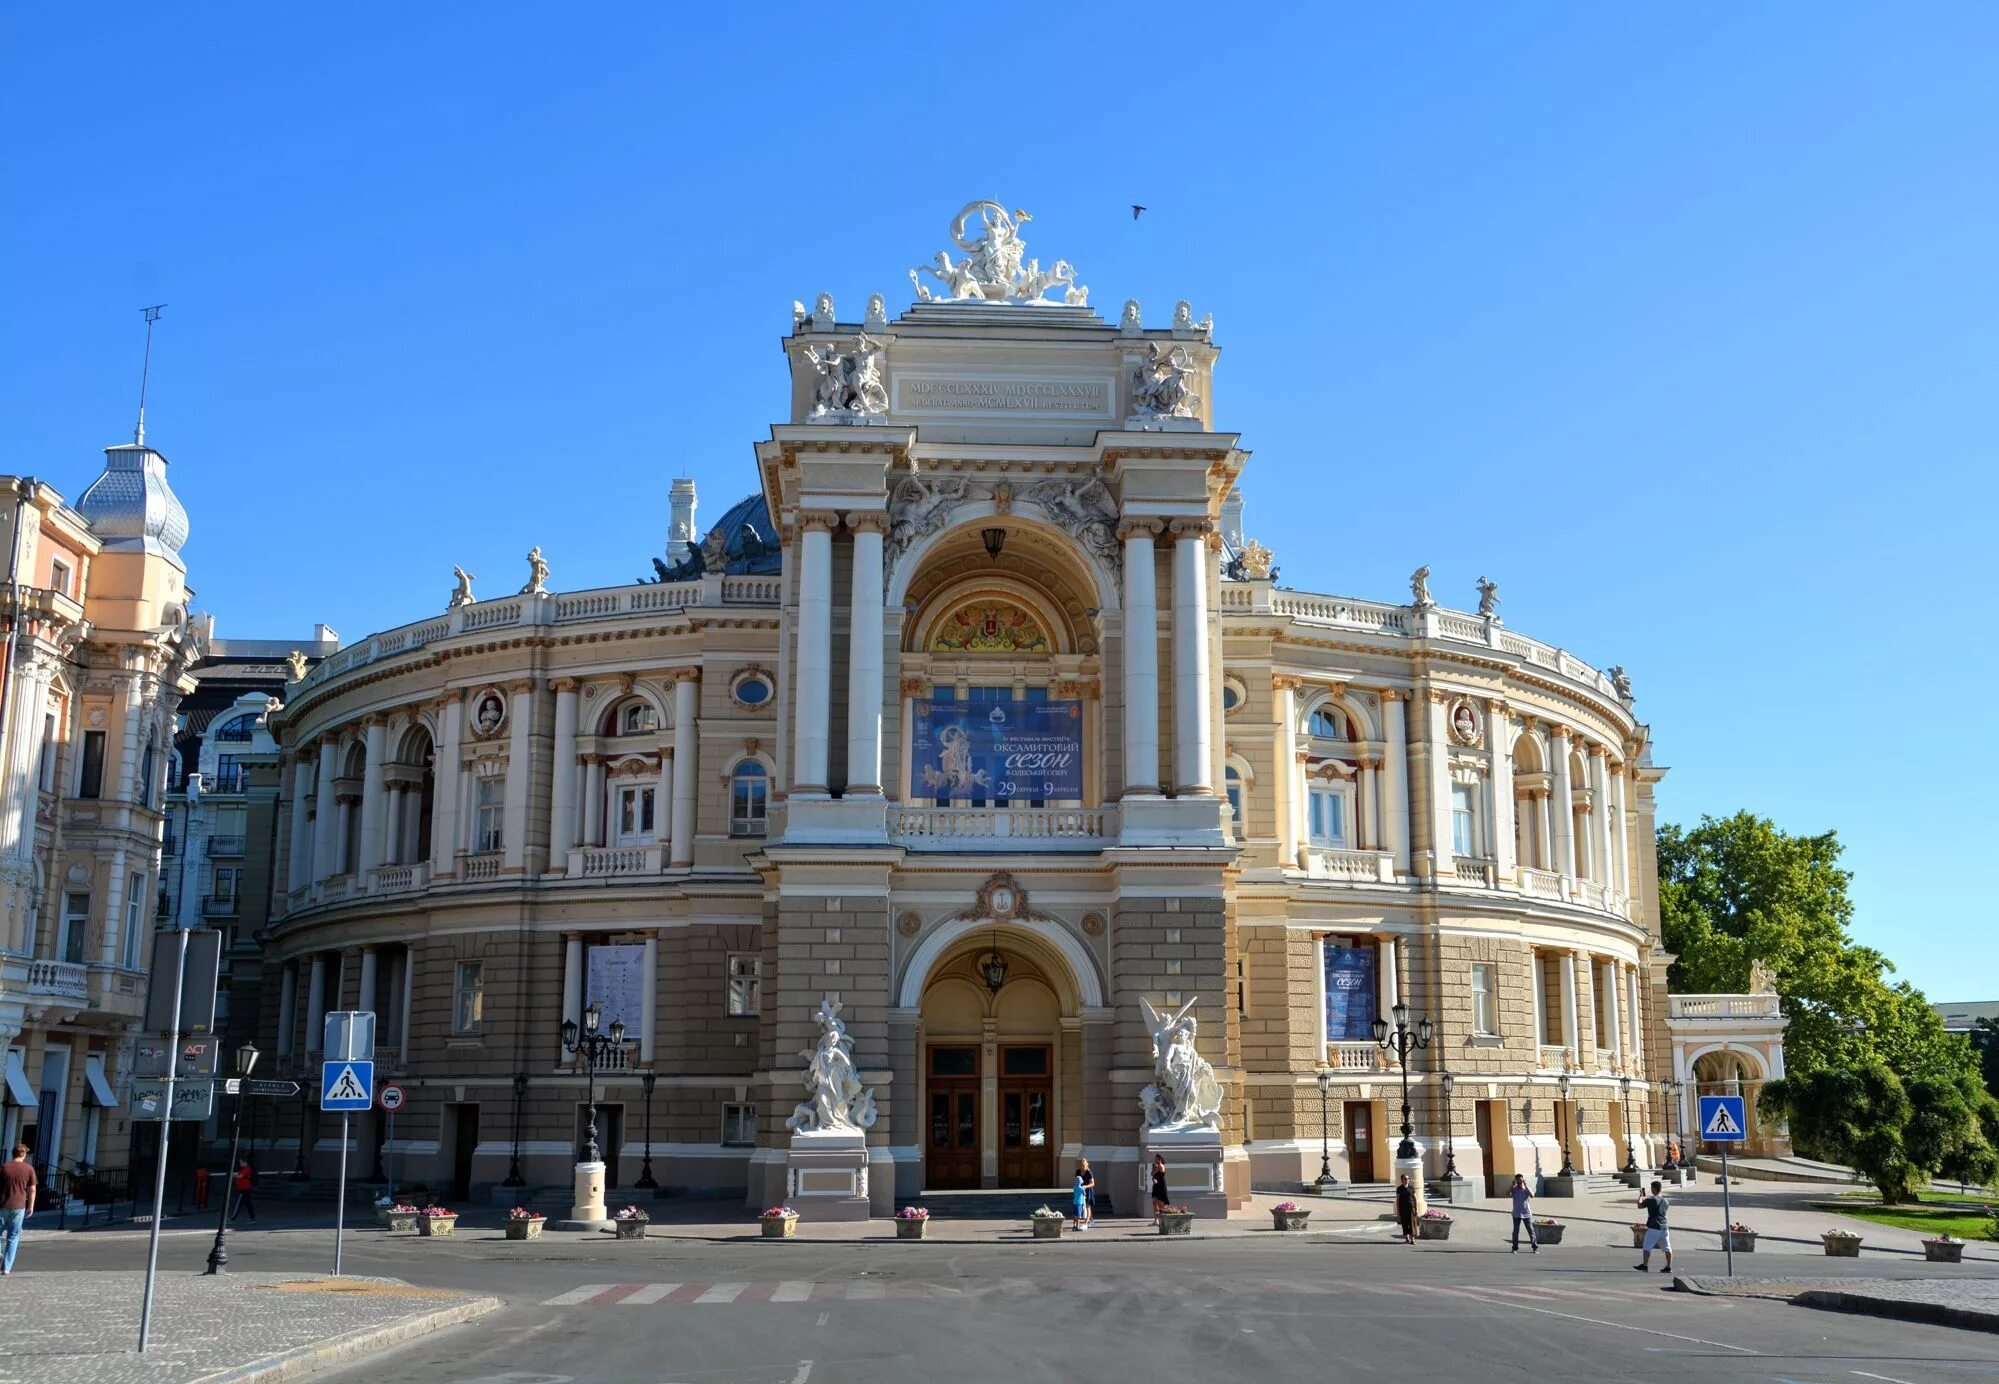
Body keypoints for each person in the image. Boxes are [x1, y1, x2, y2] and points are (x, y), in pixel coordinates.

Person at [1, 1144, 36, 1275]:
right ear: (24, 1155)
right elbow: (32, 1189)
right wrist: (31, 1206)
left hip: (3, 1205)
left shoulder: (4, 1167)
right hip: (19, 1206)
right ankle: (6, 1267)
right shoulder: (29, 1169)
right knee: (13, 1237)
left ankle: (0, 1254)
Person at [1636, 1179, 1674, 1273]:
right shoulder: (1666, 1201)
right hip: (1665, 1227)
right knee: (1667, 1248)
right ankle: (1668, 1267)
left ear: (1654, 1189)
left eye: (1651, 1188)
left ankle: (1645, 1265)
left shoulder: (1651, 1200)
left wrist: (1641, 1196)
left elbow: (1639, 1206)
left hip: (1654, 1227)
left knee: (1647, 1246)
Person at [1508, 1173, 1539, 1253]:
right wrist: (1512, 1185)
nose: (1519, 1183)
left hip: (1526, 1213)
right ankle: (1515, 1248)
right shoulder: (1514, 1189)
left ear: (1523, 1180)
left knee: (1531, 1231)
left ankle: (1535, 1247)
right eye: (1518, 1181)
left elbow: (1532, 1196)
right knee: (1515, 1232)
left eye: (1520, 1181)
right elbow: (1508, 1194)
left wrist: (1526, 1185)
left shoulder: (1526, 1189)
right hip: (1516, 1214)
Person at [230, 1158, 258, 1224]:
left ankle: (233, 1218)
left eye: (241, 1162)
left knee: (239, 1204)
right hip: (245, 1189)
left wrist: (233, 1175)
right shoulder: (244, 1169)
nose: (240, 1164)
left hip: (244, 1189)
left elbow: (240, 1176)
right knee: (248, 1204)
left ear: (245, 1162)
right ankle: (252, 1218)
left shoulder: (246, 1169)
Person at [1072, 1158, 1096, 1231]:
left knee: (1087, 1206)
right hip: (1080, 1191)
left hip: (1088, 1190)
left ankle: (1086, 1223)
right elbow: (1076, 1181)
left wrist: (1085, 1186)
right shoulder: (1078, 1171)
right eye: (1081, 1166)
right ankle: (1092, 1221)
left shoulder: (1088, 1171)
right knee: (1084, 1207)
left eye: (1084, 1166)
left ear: (1086, 1165)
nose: (1083, 1167)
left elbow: (1093, 1183)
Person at [1394, 1173, 1417, 1245]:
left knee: (1412, 1223)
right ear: (1402, 1180)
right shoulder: (1399, 1188)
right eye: (1405, 1179)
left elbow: (1415, 1198)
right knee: (1404, 1223)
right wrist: (1398, 1210)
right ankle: (1407, 1238)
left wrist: (1416, 1209)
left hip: (1411, 1208)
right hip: (1403, 1208)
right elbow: (1398, 1199)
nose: (1407, 1180)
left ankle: (1412, 1239)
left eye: (1408, 1178)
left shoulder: (1411, 1188)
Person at [1150, 1153, 1170, 1226]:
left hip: (1161, 1186)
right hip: (1156, 1186)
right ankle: (1156, 1220)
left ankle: (1162, 1221)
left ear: (1160, 1159)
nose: (1155, 1160)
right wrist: (1153, 1179)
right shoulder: (1156, 1166)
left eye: (1156, 1159)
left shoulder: (1160, 1166)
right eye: (1155, 1159)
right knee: (1154, 1202)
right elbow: (1152, 1175)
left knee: (1160, 1204)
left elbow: (1153, 1173)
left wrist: (1154, 1169)